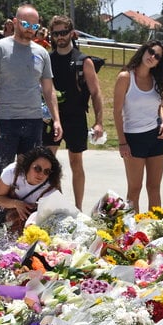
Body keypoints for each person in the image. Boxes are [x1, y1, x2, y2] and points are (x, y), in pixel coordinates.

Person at [0, 4, 62, 226]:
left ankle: (21, 222)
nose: (30, 29)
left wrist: (56, 119)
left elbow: (48, 89)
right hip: (6, 121)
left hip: (33, 121)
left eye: (34, 25)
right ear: (15, 22)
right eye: (25, 24)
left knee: (30, 175)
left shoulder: (41, 52)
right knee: (1, 170)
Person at [44, 15, 104, 211]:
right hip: (52, 118)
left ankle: (77, 208)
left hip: (76, 116)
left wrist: (99, 122)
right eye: (56, 33)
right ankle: (59, 206)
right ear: (51, 35)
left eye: (63, 32)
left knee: (75, 162)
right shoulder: (47, 59)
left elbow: (96, 93)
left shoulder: (83, 61)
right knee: (48, 162)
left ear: (71, 33)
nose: (60, 37)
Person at [113, 40, 163, 211]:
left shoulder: (156, 79)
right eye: (150, 51)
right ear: (143, 50)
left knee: (154, 188)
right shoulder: (125, 77)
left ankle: (156, 229)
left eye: (157, 56)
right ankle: (133, 233)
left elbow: (159, 105)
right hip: (134, 138)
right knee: (134, 189)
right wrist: (122, 142)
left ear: (159, 62)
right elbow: (116, 112)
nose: (152, 57)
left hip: (156, 138)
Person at [0, 146, 63, 233]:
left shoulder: (52, 186)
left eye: (46, 171)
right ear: (28, 165)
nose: (41, 174)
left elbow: (58, 212)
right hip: (8, 217)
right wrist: (16, 204)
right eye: (37, 169)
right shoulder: (12, 172)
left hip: (37, 222)